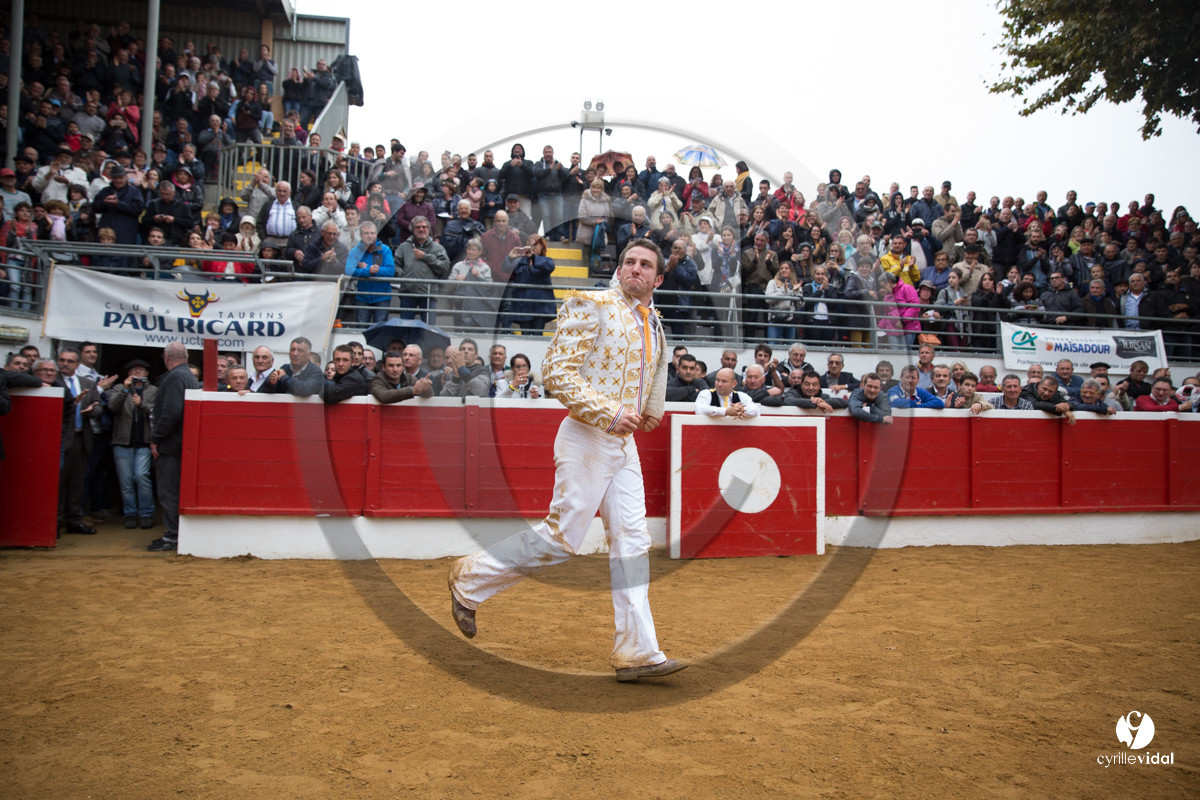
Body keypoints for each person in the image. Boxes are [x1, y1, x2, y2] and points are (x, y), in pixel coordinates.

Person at [448, 239, 686, 682]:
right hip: (586, 435)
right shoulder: (590, 304)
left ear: (658, 277)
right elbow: (556, 371)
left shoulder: (654, 321)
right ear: (620, 269)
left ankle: (638, 652)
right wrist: (610, 412)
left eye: (645, 265)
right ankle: (471, 577)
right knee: (563, 538)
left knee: (633, 542)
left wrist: (653, 409)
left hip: (622, 444)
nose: (635, 269)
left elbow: (654, 371)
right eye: (629, 262)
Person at [147, 342, 198, 551]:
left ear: (166, 357)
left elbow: (171, 413)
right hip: (181, 443)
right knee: (174, 489)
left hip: (171, 444)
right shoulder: (187, 375)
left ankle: (172, 536)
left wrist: (156, 437)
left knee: (169, 491)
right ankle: (175, 534)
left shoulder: (175, 377)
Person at [108, 358, 157, 528]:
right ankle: (130, 514)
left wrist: (142, 405)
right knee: (126, 481)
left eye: (141, 369)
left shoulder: (153, 390)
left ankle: (146, 513)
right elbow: (112, 407)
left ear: (147, 373)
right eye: (133, 369)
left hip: (144, 441)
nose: (137, 372)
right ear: (127, 373)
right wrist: (124, 390)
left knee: (141, 476)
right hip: (122, 441)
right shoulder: (118, 388)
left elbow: (157, 410)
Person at [695, 367, 759, 418]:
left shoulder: (741, 395)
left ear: (734, 384)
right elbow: (700, 410)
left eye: (724, 381)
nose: (719, 384)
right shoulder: (706, 393)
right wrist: (726, 411)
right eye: (717, 380)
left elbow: (756, 410)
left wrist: (740, 410)